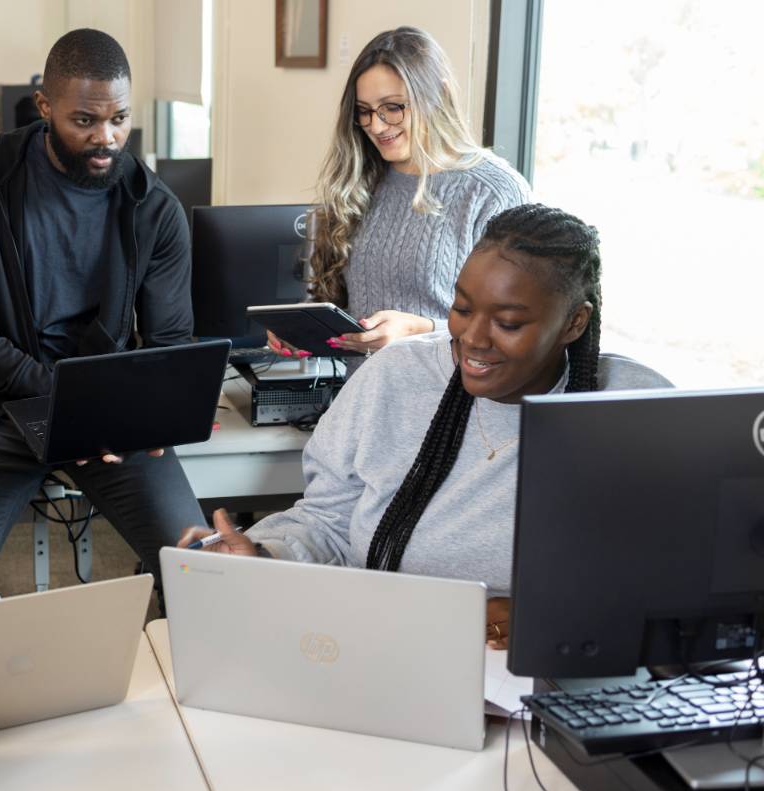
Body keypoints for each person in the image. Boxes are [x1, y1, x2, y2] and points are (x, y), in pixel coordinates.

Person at [180, 204, 672, 647]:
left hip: (542, 671)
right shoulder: (396, 377)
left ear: (574, 323)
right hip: (378, 644)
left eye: (508, 322)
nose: (473, 339)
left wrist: (554, 616)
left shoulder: (634, 409)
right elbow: (328, 523)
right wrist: (262, 555)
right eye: (462, 308)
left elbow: (677, 574)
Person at [0, 28, 204, 584]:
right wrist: (49, 389)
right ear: (45, 107)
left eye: (119, 119)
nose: (107, 138)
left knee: (198, 565)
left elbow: (168, 343)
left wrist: (139, 415)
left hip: (107, 418)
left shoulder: (155, 208)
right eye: (85, 121)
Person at [269, 26, 530, 368]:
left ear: (439, 95)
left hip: (453, 408)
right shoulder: (362, 179)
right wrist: (307, 329)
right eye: (364, 111)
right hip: (364, 401)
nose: (376, 126)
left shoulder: (493, 192)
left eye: (392, 107)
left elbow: (519, 329)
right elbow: (352, 312)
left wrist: (419, 330)